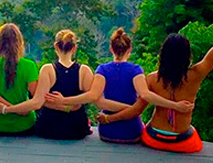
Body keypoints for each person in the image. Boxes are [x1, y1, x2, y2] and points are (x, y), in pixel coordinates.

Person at [98, 9, 213, 153]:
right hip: (183, 141)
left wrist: (108, 118)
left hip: (154, 138)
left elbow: (136, 110)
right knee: (193, 133)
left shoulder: (153, 78)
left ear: (163, 55)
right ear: (187, 54)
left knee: (146, 127)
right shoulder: (196, 75)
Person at [45, 27, 194, 143]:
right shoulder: (136, 70)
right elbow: (146, 95)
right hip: (132, 132)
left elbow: (95, 97)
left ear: (111, 49)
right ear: (130, 49)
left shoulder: (102, 69)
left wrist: (63, 100)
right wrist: (174, 105)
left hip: (107, 132)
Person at [0, 29, 131, 140]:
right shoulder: (84, 71)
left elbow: (37, 102)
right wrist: (131, 109)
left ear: (55, 46)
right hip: (77, 128)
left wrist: (6, 109)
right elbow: (97, 100)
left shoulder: (48, 70)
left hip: (49, 128)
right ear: (74, 48)